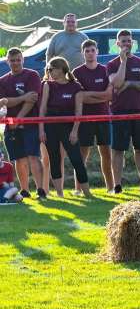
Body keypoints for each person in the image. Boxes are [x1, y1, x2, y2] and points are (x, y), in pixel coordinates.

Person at [107, 30, 140, 194]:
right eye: (123, 41)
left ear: (132, 43)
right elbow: (117, 83)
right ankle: (117, 185)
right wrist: (123, 62)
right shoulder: (112, 64)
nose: (126, 44)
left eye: (128, 41)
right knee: (118, 150)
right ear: (117, 44)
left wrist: (131, 84)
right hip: (119, 112)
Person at [37, 57, 91, 198]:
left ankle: (87, 193)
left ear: (61, 69)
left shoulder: (76, 86)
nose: (49, 72)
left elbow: (79, 112)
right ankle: (60, 194)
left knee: (76, 159)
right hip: (50, 126)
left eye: (51, 69)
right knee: (54, 158)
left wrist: (74, 131)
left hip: (68, 127)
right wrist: (41, 129)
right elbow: (42, 109)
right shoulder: (47, 85)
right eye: (48, 70)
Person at [0, 48, 46, 199]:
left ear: (23, 60)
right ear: (7, 61)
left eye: (18, 59)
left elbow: (32, 99)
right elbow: (2, 102)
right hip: (10, 125)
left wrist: (18, 117)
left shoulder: (32, 75)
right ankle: (25, 190)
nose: (15, 63)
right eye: (12, 60)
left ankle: (41, 190)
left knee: (33, 156)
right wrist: (21, 98)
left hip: (30, 122)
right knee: (19, 159)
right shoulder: (3, 80)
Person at [73, 39, 114, 193]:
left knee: (106, 154)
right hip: (85, 118)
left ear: (97, 51)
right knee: (82, 155)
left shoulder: (105, 70)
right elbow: (80, 97)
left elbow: (109, 95)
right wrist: (100, 95)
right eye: (87, 51)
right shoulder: (77, 72)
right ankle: (78, 189)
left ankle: (110, 188)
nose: (90, 53)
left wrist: (90, 95)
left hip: (104, 117)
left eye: (92, 50)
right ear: (83, 53)